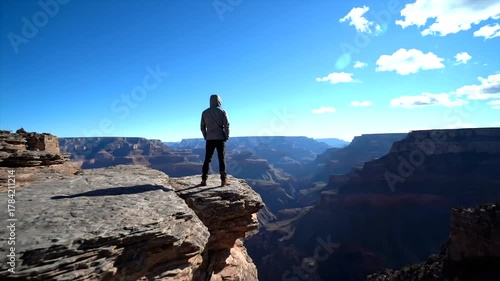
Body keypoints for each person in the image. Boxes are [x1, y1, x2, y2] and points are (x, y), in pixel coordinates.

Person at [200, 94, 230, 186]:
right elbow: (227, 125)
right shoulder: (222, 111)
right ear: (219, 101)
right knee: (221, 159)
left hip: (210, 138)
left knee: (207, 159)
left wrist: (206, 136)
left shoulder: (205, 112)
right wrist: (226, 136)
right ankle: (223, 181)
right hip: (220, 138)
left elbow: (202, 127)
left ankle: (204, 180)